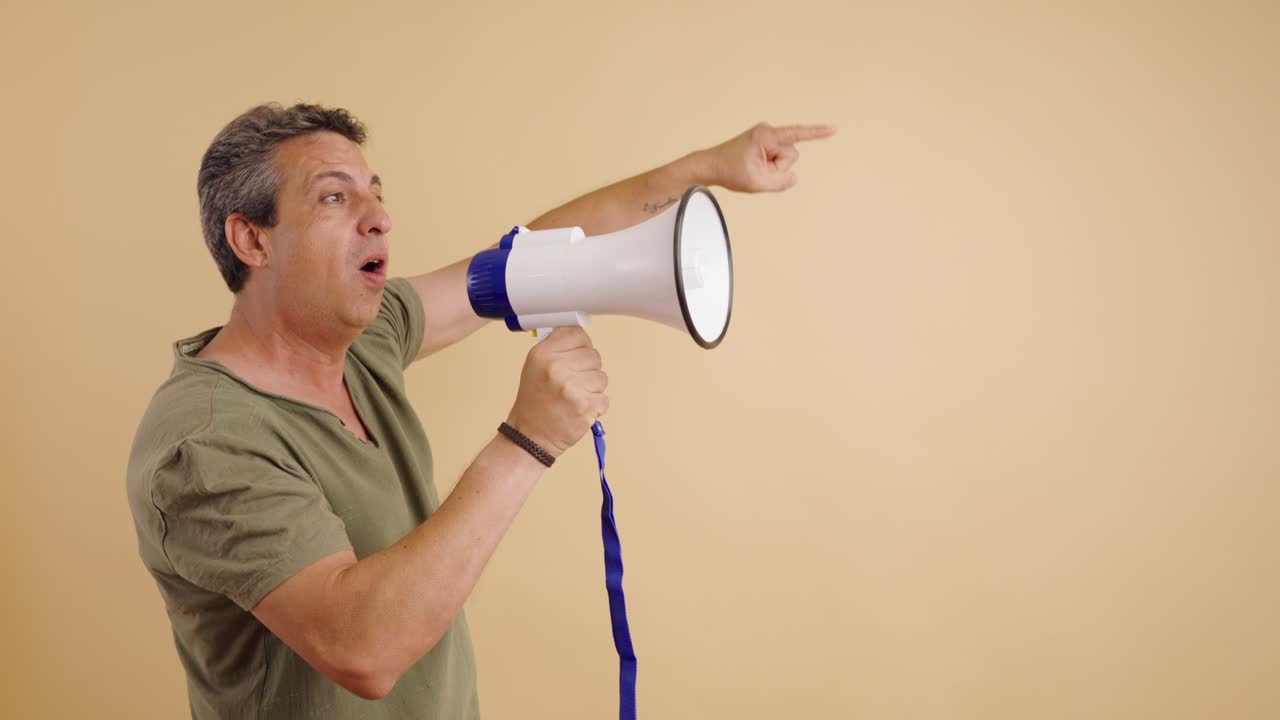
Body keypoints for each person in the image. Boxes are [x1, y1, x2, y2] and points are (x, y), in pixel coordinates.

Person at [126, 102, 833, 719]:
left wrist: (704, 167)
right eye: (335, 200)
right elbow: (362, 648)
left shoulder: (364, 337)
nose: (380, 218)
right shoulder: (205, 440)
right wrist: (527, 440)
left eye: (375, 192)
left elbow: (529, 259)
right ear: (252, 240)